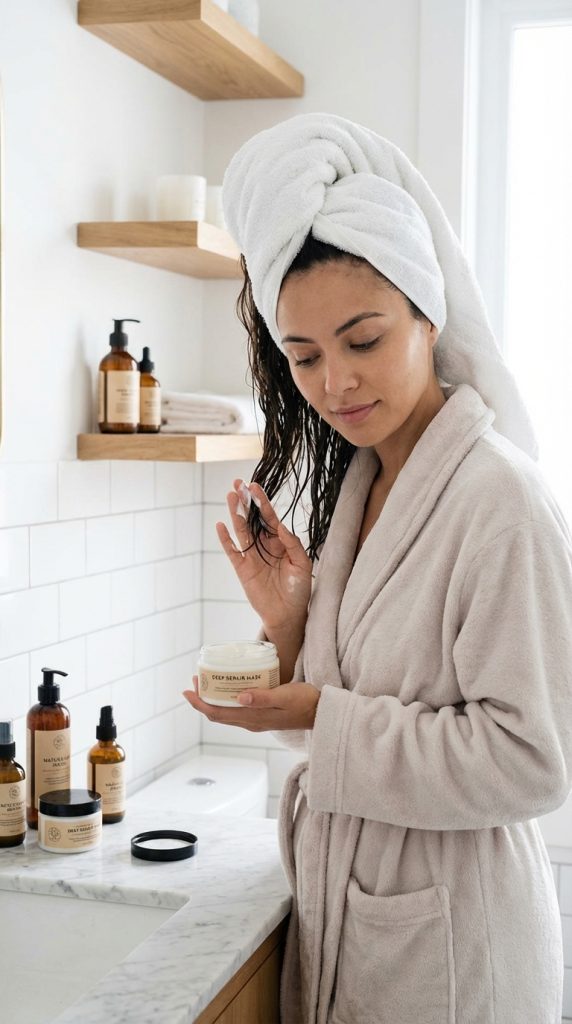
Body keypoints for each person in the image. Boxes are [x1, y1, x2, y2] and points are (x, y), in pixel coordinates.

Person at [183, 113, 572, 1024]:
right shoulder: (369, 484)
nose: (335, 386)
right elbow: (363, 702)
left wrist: (328, 714)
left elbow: (533, 762)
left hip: (454, 953)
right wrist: (292, 623)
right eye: (303, 357)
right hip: (367, 931)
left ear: (428, 317)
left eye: (363, 341)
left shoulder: (500, 502)